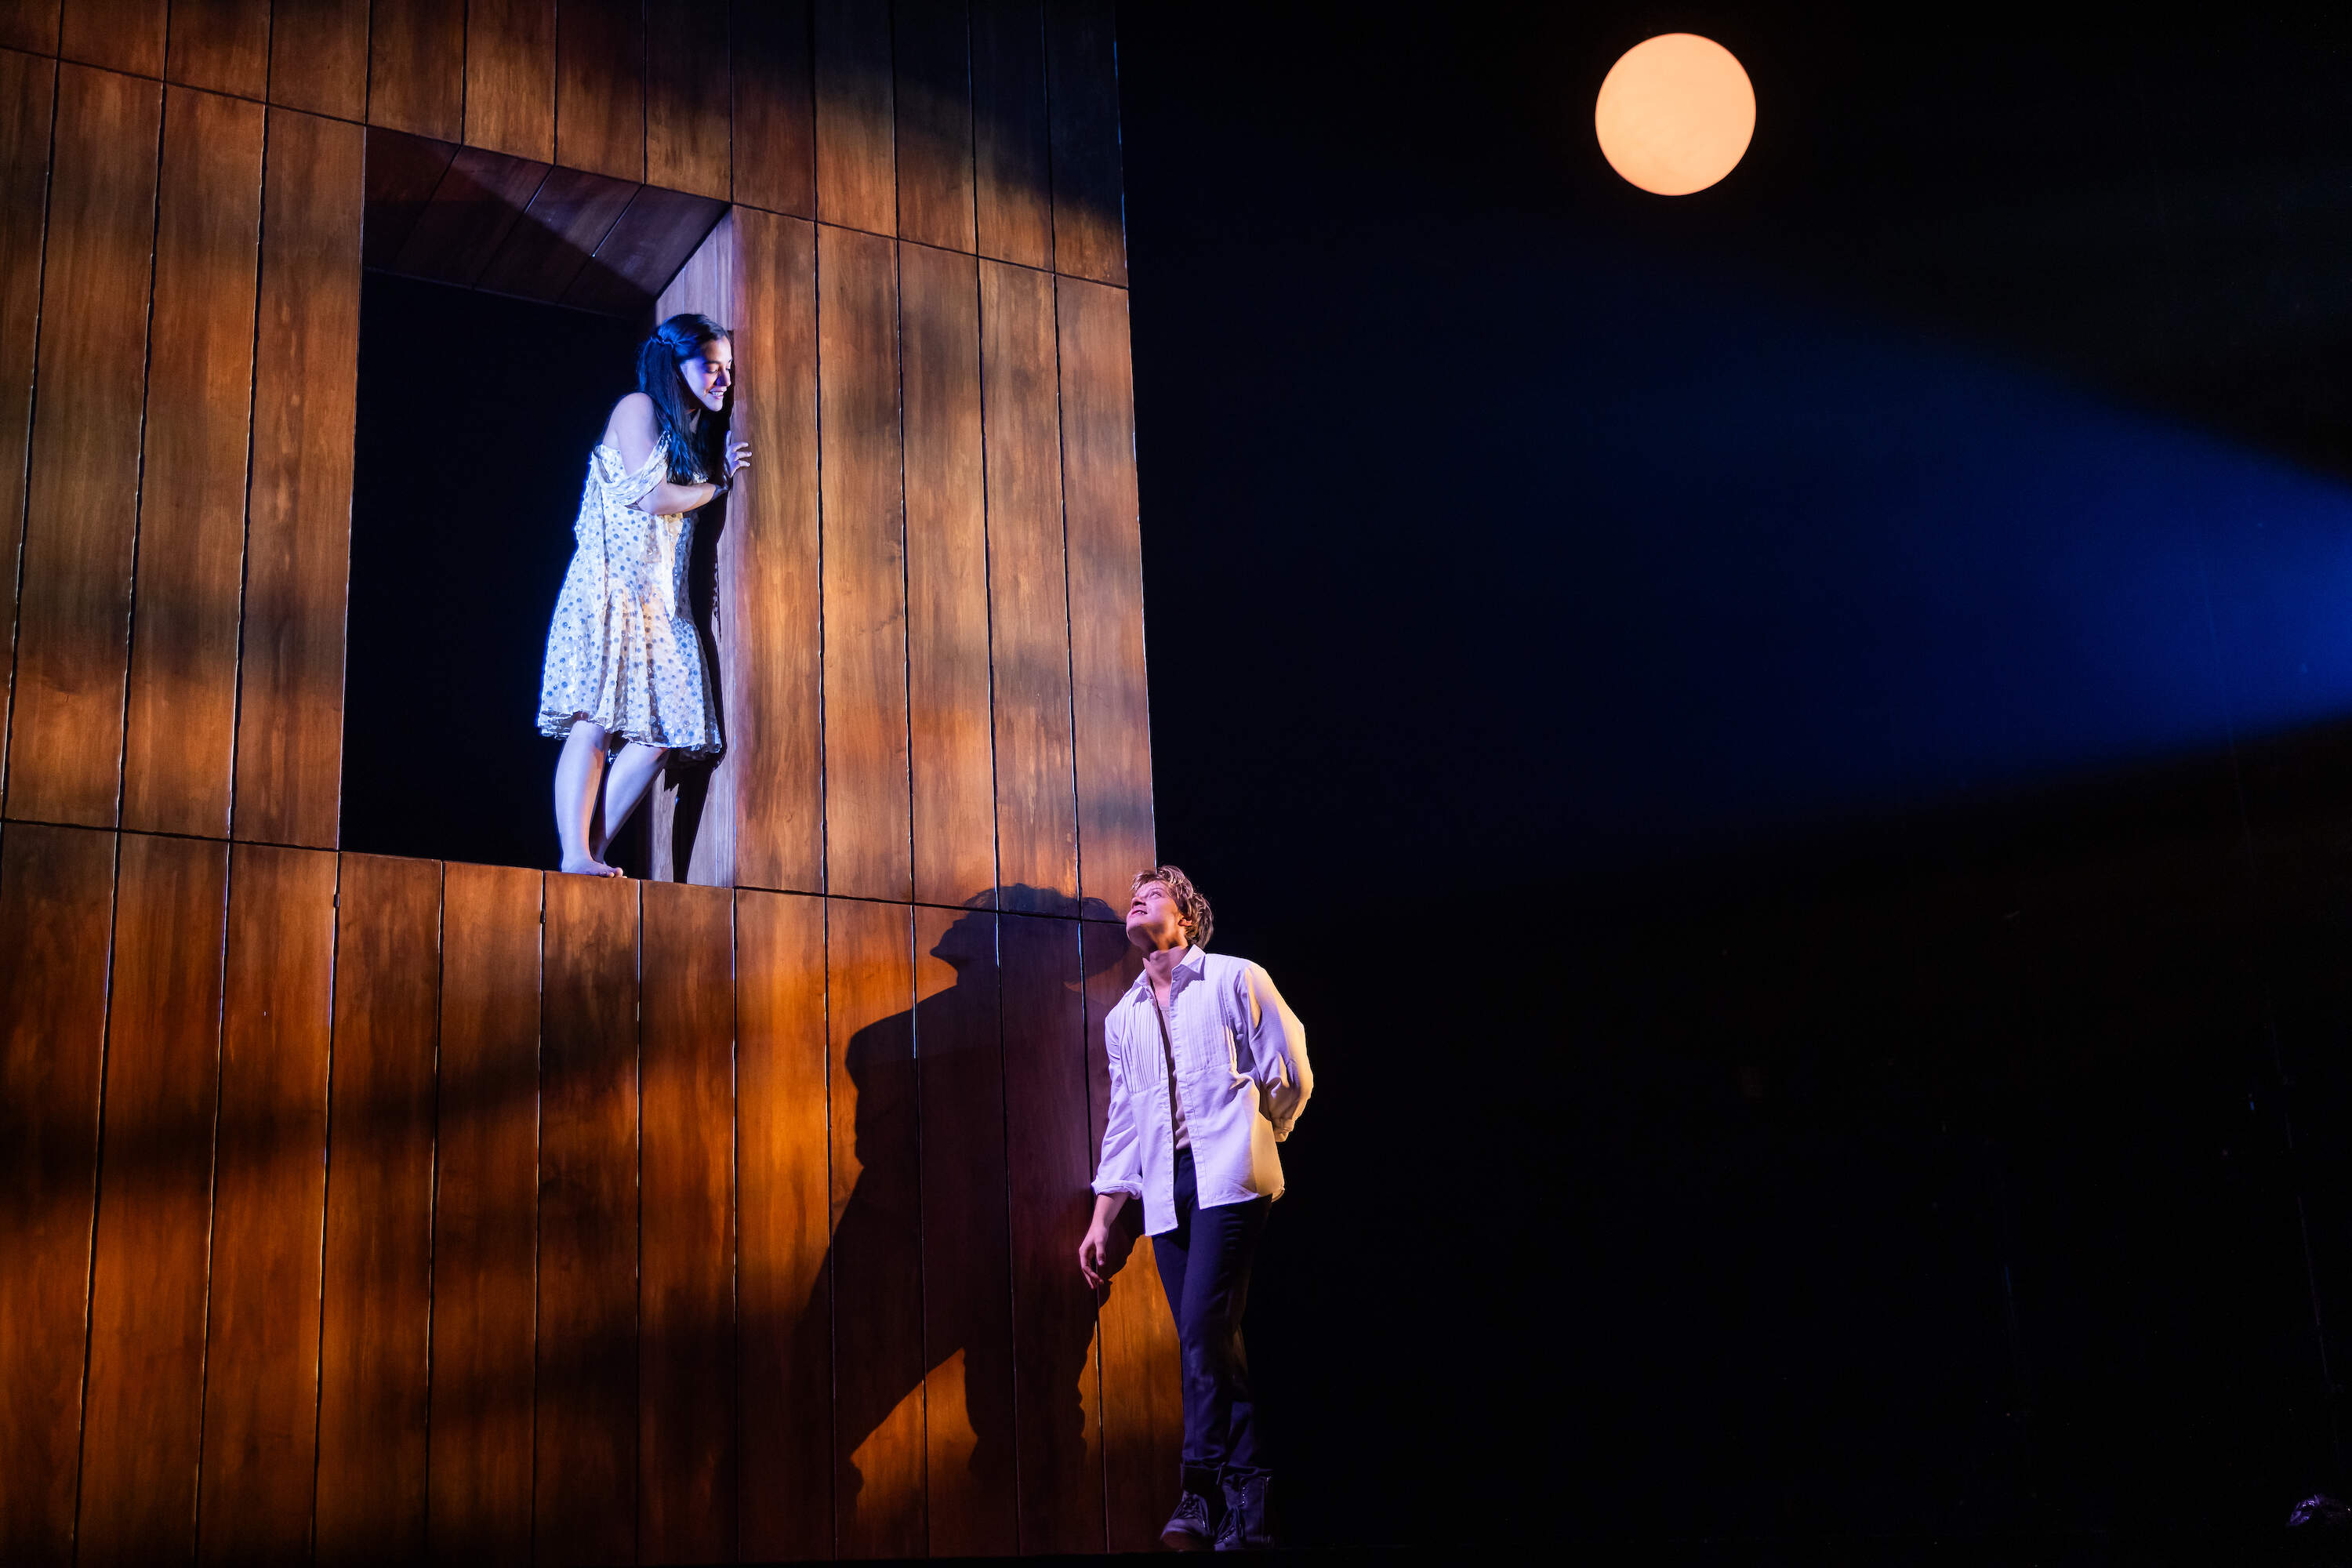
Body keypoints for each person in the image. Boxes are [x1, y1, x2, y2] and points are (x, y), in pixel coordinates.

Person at [1080, 866, 1312, 1552]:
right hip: (1164, 1191)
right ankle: (1254, 1505)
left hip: (1230, 1178)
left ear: (1185, 918)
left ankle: (1201, 1490)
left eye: (1152, 894)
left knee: (1201, 1334)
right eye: (1132, 897)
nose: (1135, 900)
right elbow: (1124, 1121)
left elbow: (1290, 1068)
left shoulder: (1237, 976)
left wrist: (1259, 1132)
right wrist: (1101, 1216)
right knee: (1213, 1340)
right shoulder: (1122, 1016)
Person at [537, 313, 750, 876]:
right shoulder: (638, 407)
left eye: (728, 368)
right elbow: (652, 498)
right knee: (595, 723)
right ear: (675, 365)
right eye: (711, 365)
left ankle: (590, 855)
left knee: (662, 735)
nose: (723, 379)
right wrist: (717, 485)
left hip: (658, 602)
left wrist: (712, 479)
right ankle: (575, 854)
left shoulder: (690, 436)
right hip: (609, 587)